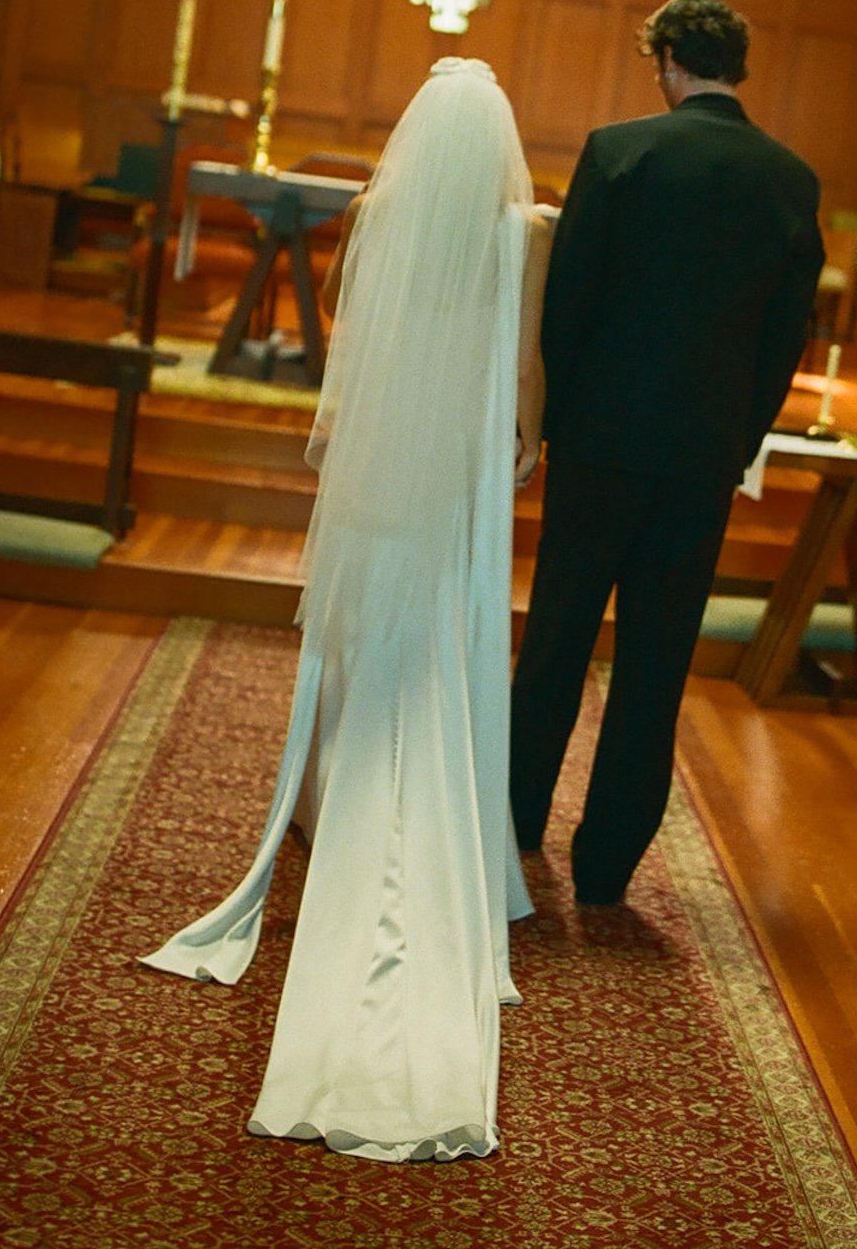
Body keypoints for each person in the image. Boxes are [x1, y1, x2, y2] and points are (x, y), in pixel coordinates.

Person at [142, 57, 552, 1161]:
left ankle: (334, 807)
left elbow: (342, 316)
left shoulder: (375, 208)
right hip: (461, 476)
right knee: (444, 645)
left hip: (380, 466)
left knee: (367, 644)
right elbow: (524, 374)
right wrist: (526, 439)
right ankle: (446, 835)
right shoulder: (529, 229)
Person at [509, 0, 824, 906]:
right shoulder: (789, 179)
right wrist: (738, 440)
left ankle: (518, 821)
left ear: (671, 62)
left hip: (601, 442)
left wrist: (550, 420)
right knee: (656, 661)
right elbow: (783, 335)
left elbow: (568, 301)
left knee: (559, 638)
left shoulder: (619, 151)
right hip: (701, 459)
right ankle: (607, 865)